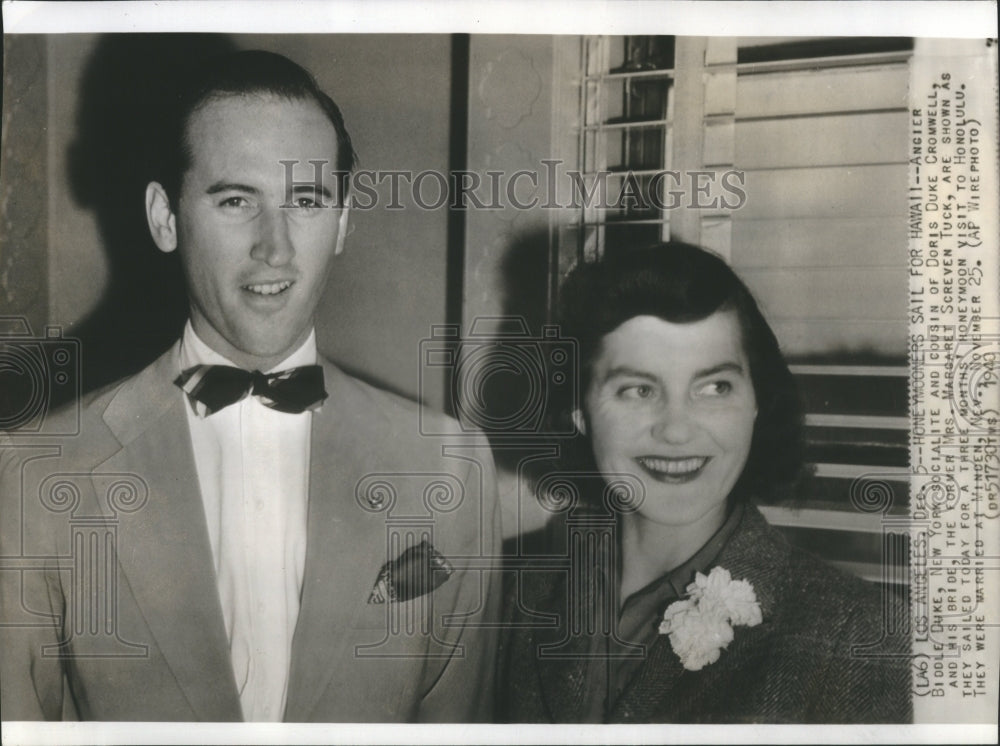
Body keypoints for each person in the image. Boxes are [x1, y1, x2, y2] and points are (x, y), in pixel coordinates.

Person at [0, 50, 500, 722]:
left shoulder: (451, 468)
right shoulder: (34, 475)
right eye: (236, 200)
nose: (276, 248)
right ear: (164, 218)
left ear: (344, 219)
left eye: (306, 200)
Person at [496, 242, 911, 723]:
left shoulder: (861, 637)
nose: (676, 430)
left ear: (756, 402)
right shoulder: (513, 591)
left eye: (714, 387)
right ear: (580, 413)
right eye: (638, 389)